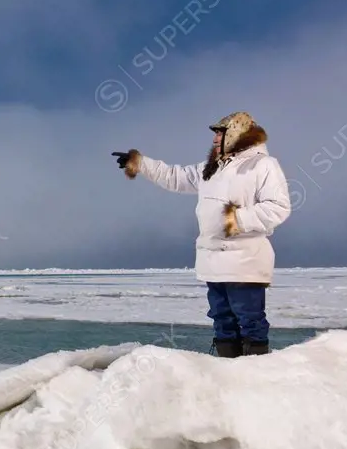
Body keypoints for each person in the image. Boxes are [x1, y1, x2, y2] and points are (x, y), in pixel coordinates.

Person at [111, 111, 291, 357]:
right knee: (222, 320)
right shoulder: (213, 167)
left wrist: (235, 219)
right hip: (212, 260)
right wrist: (140, 163)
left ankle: (254, 374)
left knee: (250, 320)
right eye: (216, 133)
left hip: (245, 259)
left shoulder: (262, 165)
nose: (215, 138)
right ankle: (227, 371)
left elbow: (278, 207)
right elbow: (176, 177)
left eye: (220, 133)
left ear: (237, 133)